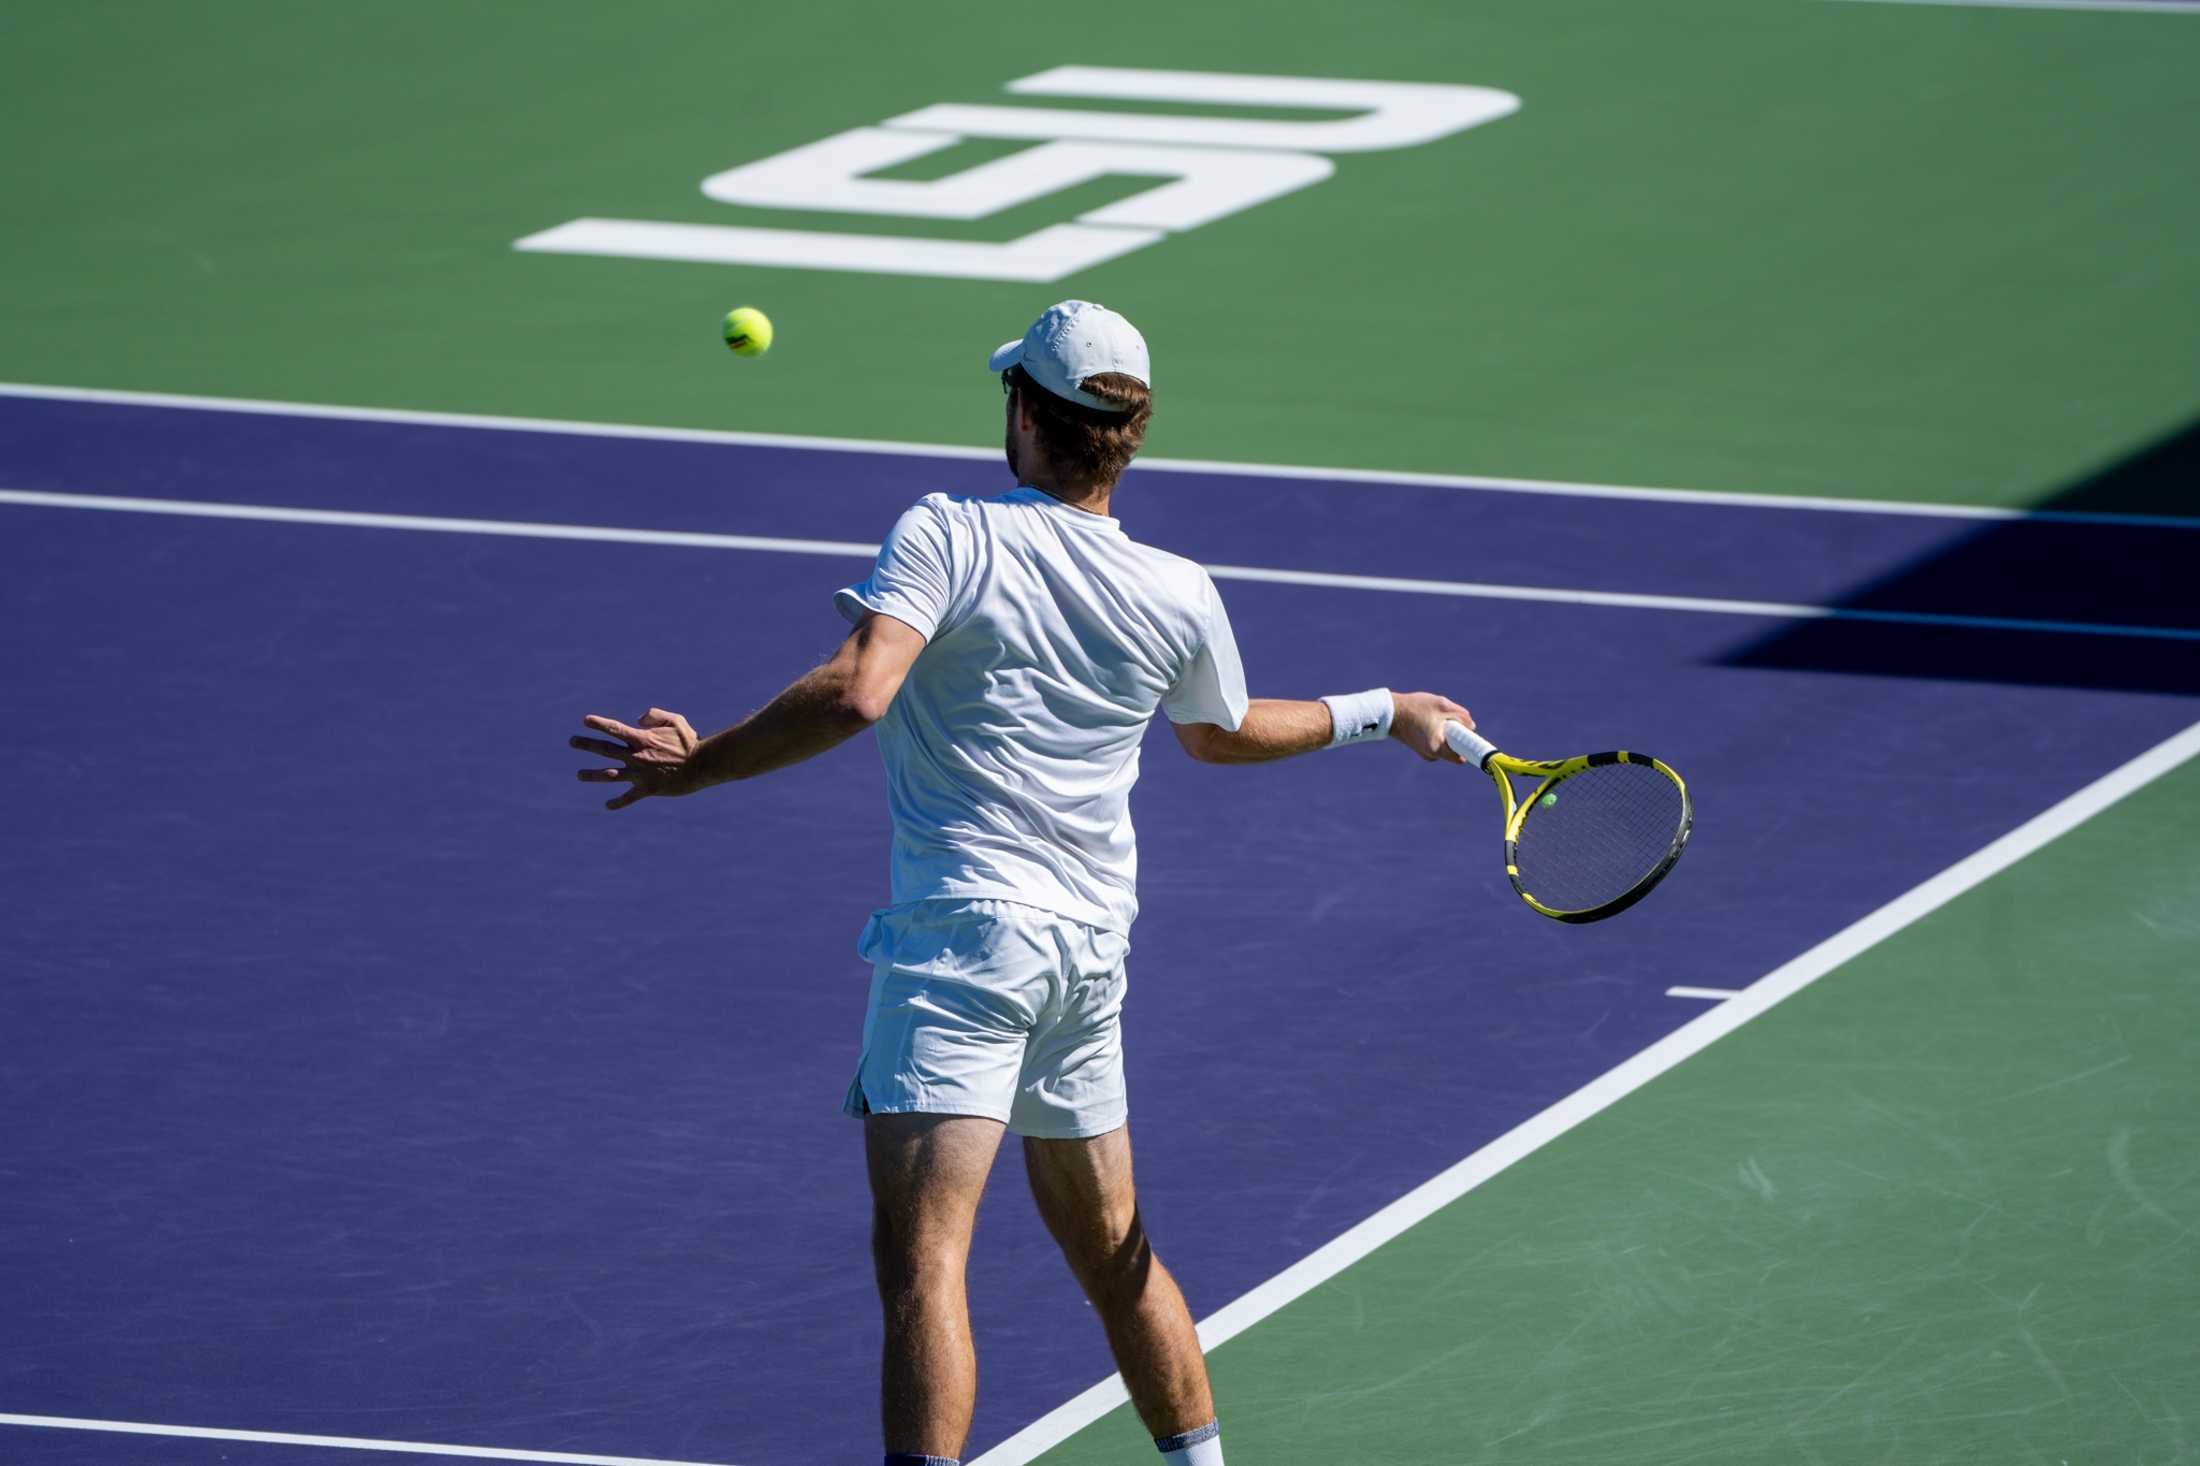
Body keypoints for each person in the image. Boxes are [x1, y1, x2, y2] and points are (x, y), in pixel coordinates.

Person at [570, 300, 1475, 1466]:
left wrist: (703, 766)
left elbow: (859, 688)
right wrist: (1383, 711)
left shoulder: (948, 531)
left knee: (923, 1260)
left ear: (1027, 414)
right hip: (1086, 958)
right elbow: (1224, 731)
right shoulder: (1176, 587)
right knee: (1112, 1252)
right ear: (1128, 435)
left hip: (963, 946)